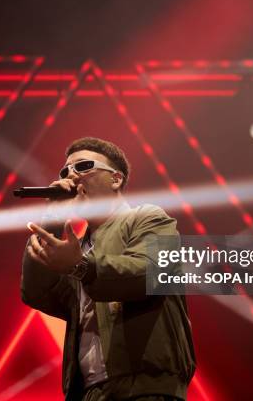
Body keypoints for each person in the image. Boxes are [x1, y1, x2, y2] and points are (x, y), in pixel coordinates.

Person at [21, 137, 195, 400]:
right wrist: (53, 219)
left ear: (115, 179)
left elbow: (148, 273)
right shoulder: (77, 248)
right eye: (65, 171)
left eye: (83, 166)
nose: (71, 176)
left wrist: (80, 266)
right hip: (90, 393)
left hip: (145, 388)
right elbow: (37, 292)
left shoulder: (149, 218)